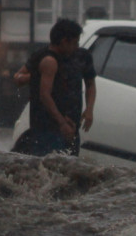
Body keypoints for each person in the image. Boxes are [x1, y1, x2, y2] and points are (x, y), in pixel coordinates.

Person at [11, 19, 96, 156]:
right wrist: (37, 76)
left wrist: (89, 109)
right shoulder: (45, 58)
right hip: (46, 127)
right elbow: (22, 80)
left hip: (71, 126)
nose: (76, 47)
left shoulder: (82, 57)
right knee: (48, 167)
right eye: (74, 43)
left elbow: (90, 83)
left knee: (68, 169)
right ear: (64, 41)